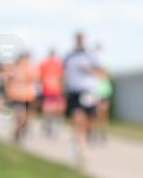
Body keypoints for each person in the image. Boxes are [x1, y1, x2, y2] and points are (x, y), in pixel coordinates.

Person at [63, 32, 102, 167]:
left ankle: (82, 139)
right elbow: (64, 72)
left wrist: (89, 69)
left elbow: (100, 71)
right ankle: (82, 150)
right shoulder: (69, 55)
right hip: (74, 91)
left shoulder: (90, 55)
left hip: (88, 92)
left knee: (88, 121)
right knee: (78, 120)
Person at [4, 52, 38, 143]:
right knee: (21, 117)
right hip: (19, 96)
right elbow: (8, 79)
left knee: (24, 118)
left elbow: (35, 79)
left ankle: (17, 132)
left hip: (26, 96)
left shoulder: (31, 68)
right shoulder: (16, 68)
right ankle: (17, 133)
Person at [37, 48, 65, 140]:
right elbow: (39, 76)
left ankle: (53, 126)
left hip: (55, 90)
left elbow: (62, 77)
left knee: (55, 110)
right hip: (48, 90)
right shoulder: (45, 63)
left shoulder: (58, 64)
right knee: (49, 110)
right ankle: (48, 125)